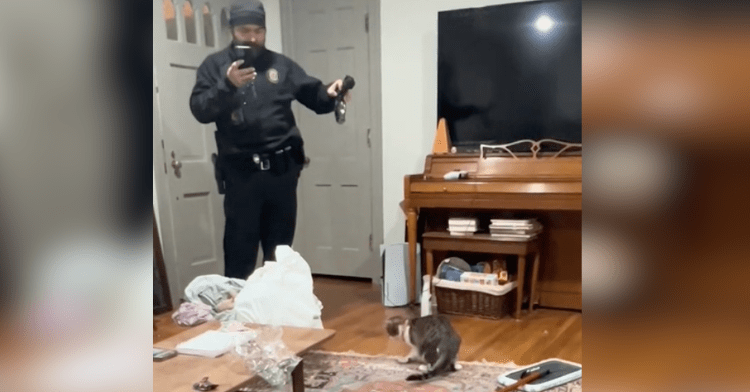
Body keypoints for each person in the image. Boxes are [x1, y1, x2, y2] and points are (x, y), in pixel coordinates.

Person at [190, 0, 349, 279]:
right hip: (242, 176)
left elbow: (314, 95)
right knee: (240, 253)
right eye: (244, 30)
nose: (252, 37)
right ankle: (238, 319)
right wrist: (227, 86)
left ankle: (276, 317)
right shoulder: (214, 66)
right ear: (231, 30)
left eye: (259, 31)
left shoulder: (281, 65)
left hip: (282, 172)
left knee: (279, 254)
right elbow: (200, 110)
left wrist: (331, 93)